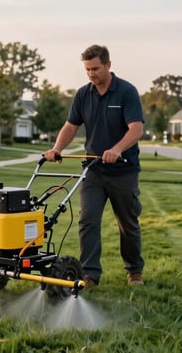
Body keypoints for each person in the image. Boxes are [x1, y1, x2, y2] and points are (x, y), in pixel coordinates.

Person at [44, 44, 145, 288]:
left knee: (127, 223)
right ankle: (89, 275)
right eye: (87, 69)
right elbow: (70, 126)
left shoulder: (126, 92)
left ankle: (134, 272)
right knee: (88, 220)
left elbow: (137, 129)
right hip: (93, 170)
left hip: (123, 170)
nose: (91, 74)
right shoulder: (83, 94)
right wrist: (58, 148)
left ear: (108, 65)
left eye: (96, 69)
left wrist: (117, 149)